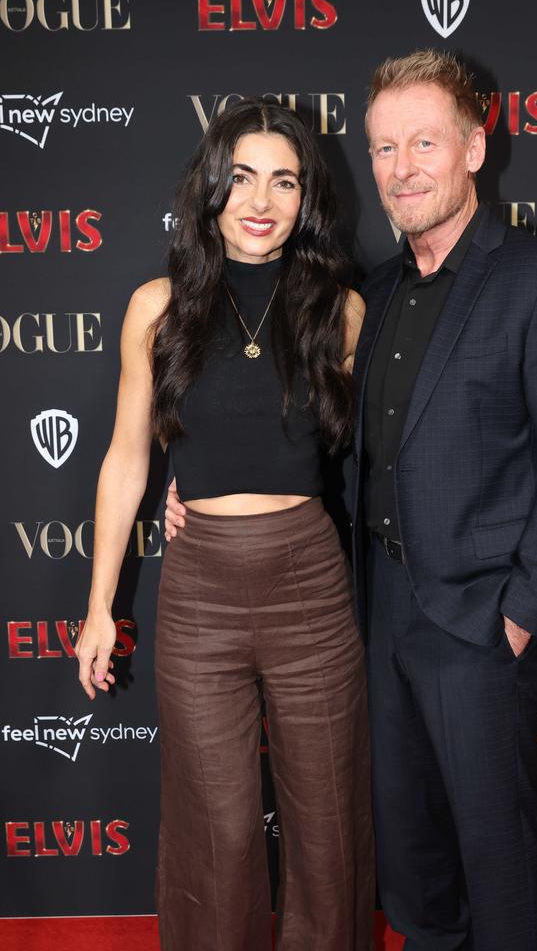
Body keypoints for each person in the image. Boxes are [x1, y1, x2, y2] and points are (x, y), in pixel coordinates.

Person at [168, 51, 537, 951]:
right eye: (382, 148)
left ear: (476, 148)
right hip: (373, 615)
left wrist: (521, 615)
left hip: (481, 624)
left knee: (498, 856)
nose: (401, 168)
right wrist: (193, 479)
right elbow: (295, 431)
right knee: (410, 868)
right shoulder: (368, 293)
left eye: (423, 142)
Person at [75, 97, 374, 951]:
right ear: (210, 187)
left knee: (327, 828)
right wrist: (101, 607)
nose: (261, 199)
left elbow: (372, 461)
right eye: (242, 176)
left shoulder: (341, 312)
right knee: (221, 829)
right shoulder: (157, 307)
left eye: (284, 181)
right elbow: (127, 461)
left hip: (310, 584)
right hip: (199, 588)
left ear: (306, 198)